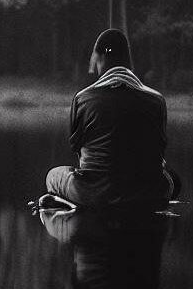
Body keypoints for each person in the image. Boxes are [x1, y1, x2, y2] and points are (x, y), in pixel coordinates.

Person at [45, 28, 176, 211]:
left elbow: (78, 150)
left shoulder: (83, 99)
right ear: (127, 61)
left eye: (95, 60)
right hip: (148, 194)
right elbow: (160, 152)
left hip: (93, 194)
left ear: (101, 57)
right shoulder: (157, 100)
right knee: (171, 178)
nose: (94, 66)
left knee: (53, 175)